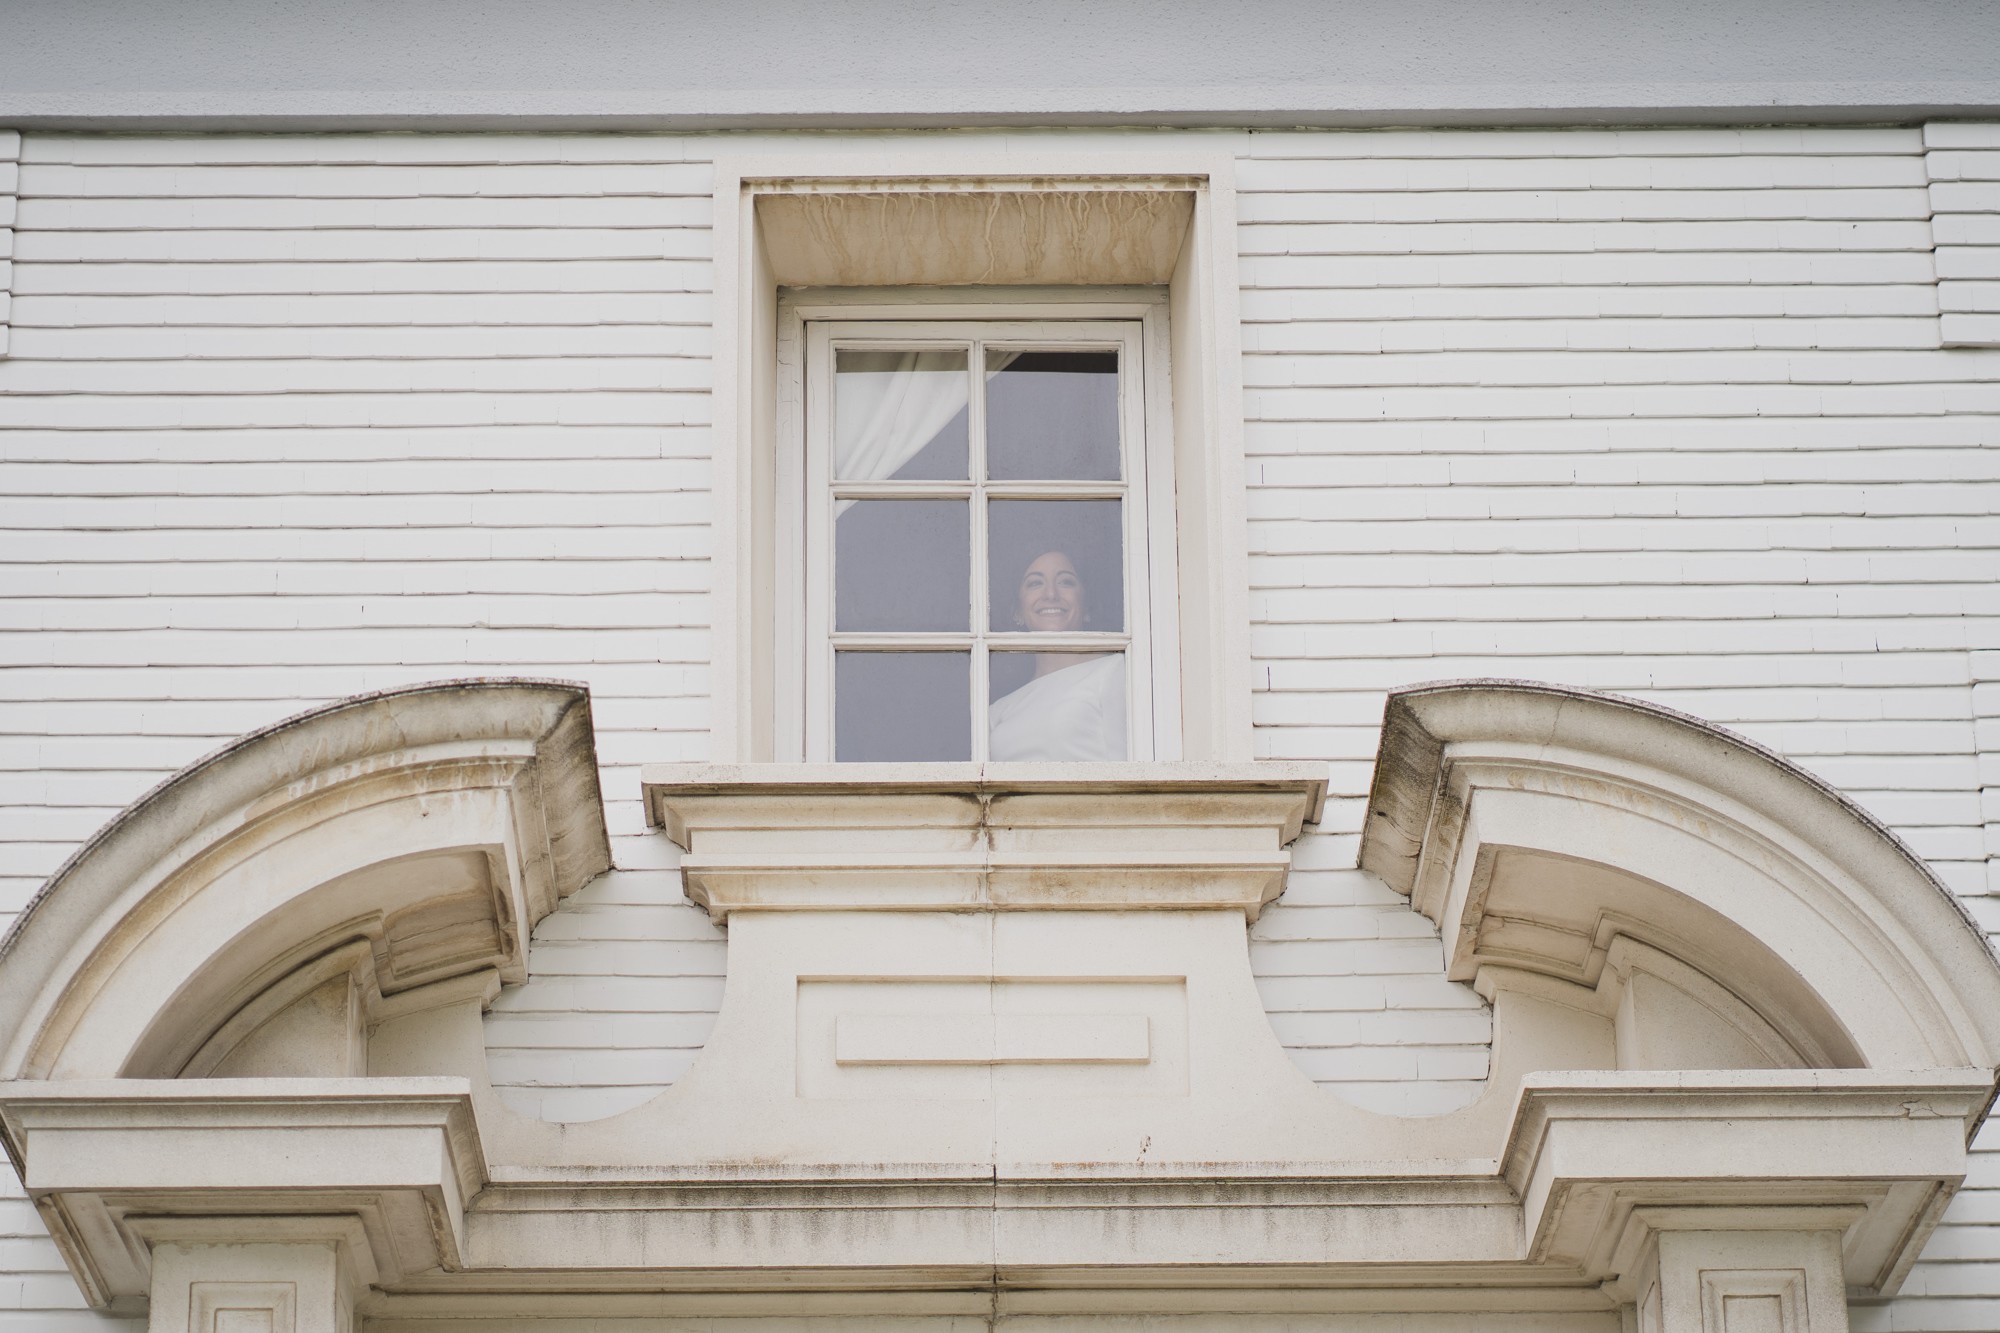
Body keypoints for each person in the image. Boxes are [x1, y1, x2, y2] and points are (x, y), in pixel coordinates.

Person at [988, 550, 1127, 761]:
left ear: (1086, 606)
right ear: (1017, 611)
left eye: (1065, 582)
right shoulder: (998, 710)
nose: (1050, 594)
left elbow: (1131, 770)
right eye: (1035, 583)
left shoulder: (1115, 670)